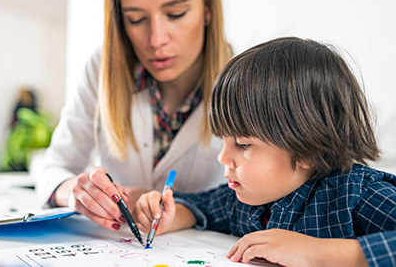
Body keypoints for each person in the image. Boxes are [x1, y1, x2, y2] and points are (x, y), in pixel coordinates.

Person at [134, 37, 396, 267]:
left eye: (243, 144)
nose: (222, 157)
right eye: (222, 140)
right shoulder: (250, 197)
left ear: (308, 148)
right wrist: (172, 215)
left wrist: (319, 253)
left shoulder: (357, 195)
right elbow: (204, 207)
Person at [34, 0, 232, 232]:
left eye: (176, 13)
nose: (156, 40)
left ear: (208, 9)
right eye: (136, 19)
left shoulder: (247, 82)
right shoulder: (102, 68)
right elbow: (55, 167)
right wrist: (75, 192)